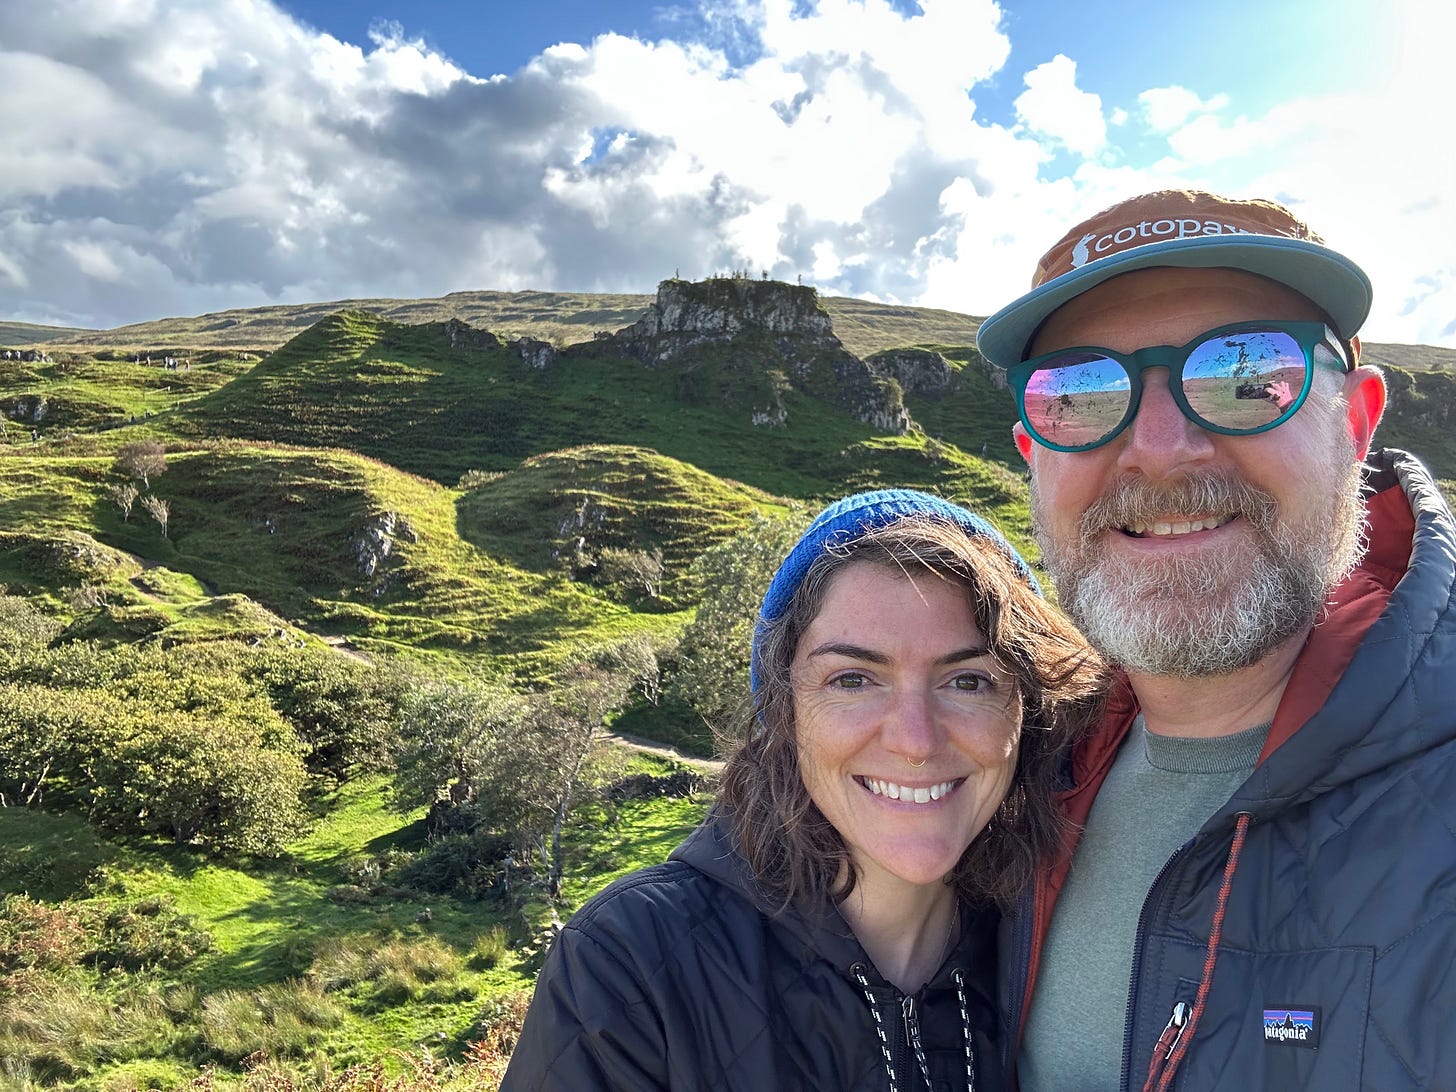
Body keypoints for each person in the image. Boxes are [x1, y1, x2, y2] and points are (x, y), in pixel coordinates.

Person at [974, 189, 1456, 1090]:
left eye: (1247, 374)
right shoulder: (1006, 775)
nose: (1160, 449)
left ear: (1355, 422)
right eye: (1080, 393)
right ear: (1033, 455)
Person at [501, 489, 1107, 1091]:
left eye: (968, 681)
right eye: (853, 679)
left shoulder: (1063, 952)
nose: (915, 740)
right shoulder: (627, 968)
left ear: (1028, 712)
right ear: (785, 711)